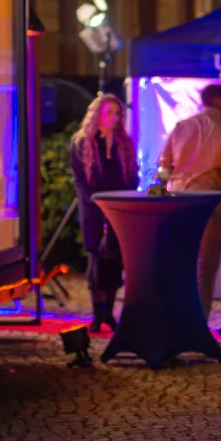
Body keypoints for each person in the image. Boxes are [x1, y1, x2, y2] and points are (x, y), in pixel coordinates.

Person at [158, 83, 221, 319]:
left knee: (180, 265)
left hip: (177, 203)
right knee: (204, 270)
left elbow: (164, 165)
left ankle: (175, 321)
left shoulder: (181, 126)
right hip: (210, 204)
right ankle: (197, 325)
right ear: (218, 101)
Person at [69, 95, 138, 332]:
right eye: (109, 112)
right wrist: (96, 203)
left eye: (117, 113)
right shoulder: (82, 142)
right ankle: (97, 314)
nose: (114, 118)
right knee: (97, 260)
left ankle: (109, 312)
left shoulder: (124, 143)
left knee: (115, 261)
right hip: (94, 210)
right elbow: (80, 181)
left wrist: (125, 202)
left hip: (119, 210)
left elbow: (131, 178)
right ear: (98, 114)